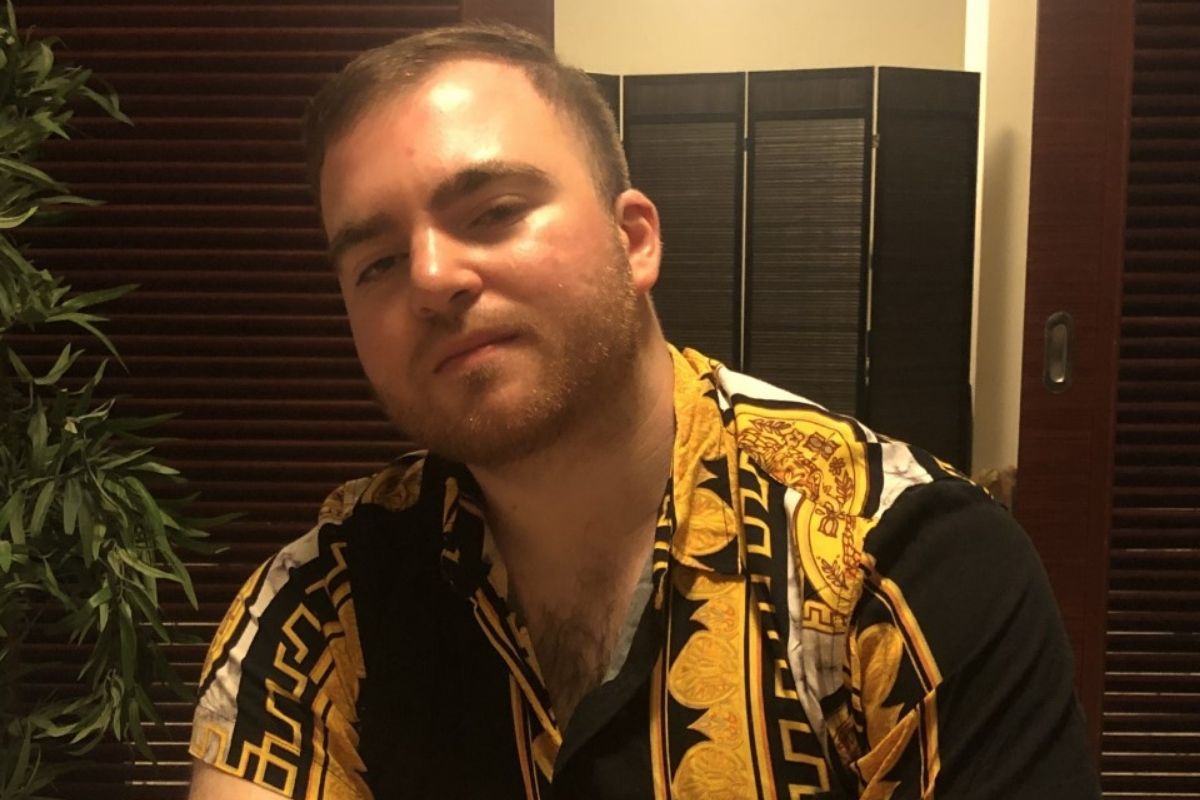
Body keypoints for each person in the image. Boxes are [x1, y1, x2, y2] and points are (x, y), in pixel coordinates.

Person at [187, 23, 1099, 800]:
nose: (430, 278)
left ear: (634, 241)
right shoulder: (329, 595)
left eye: (494, 211)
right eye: (377, 262)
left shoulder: (902, 565)